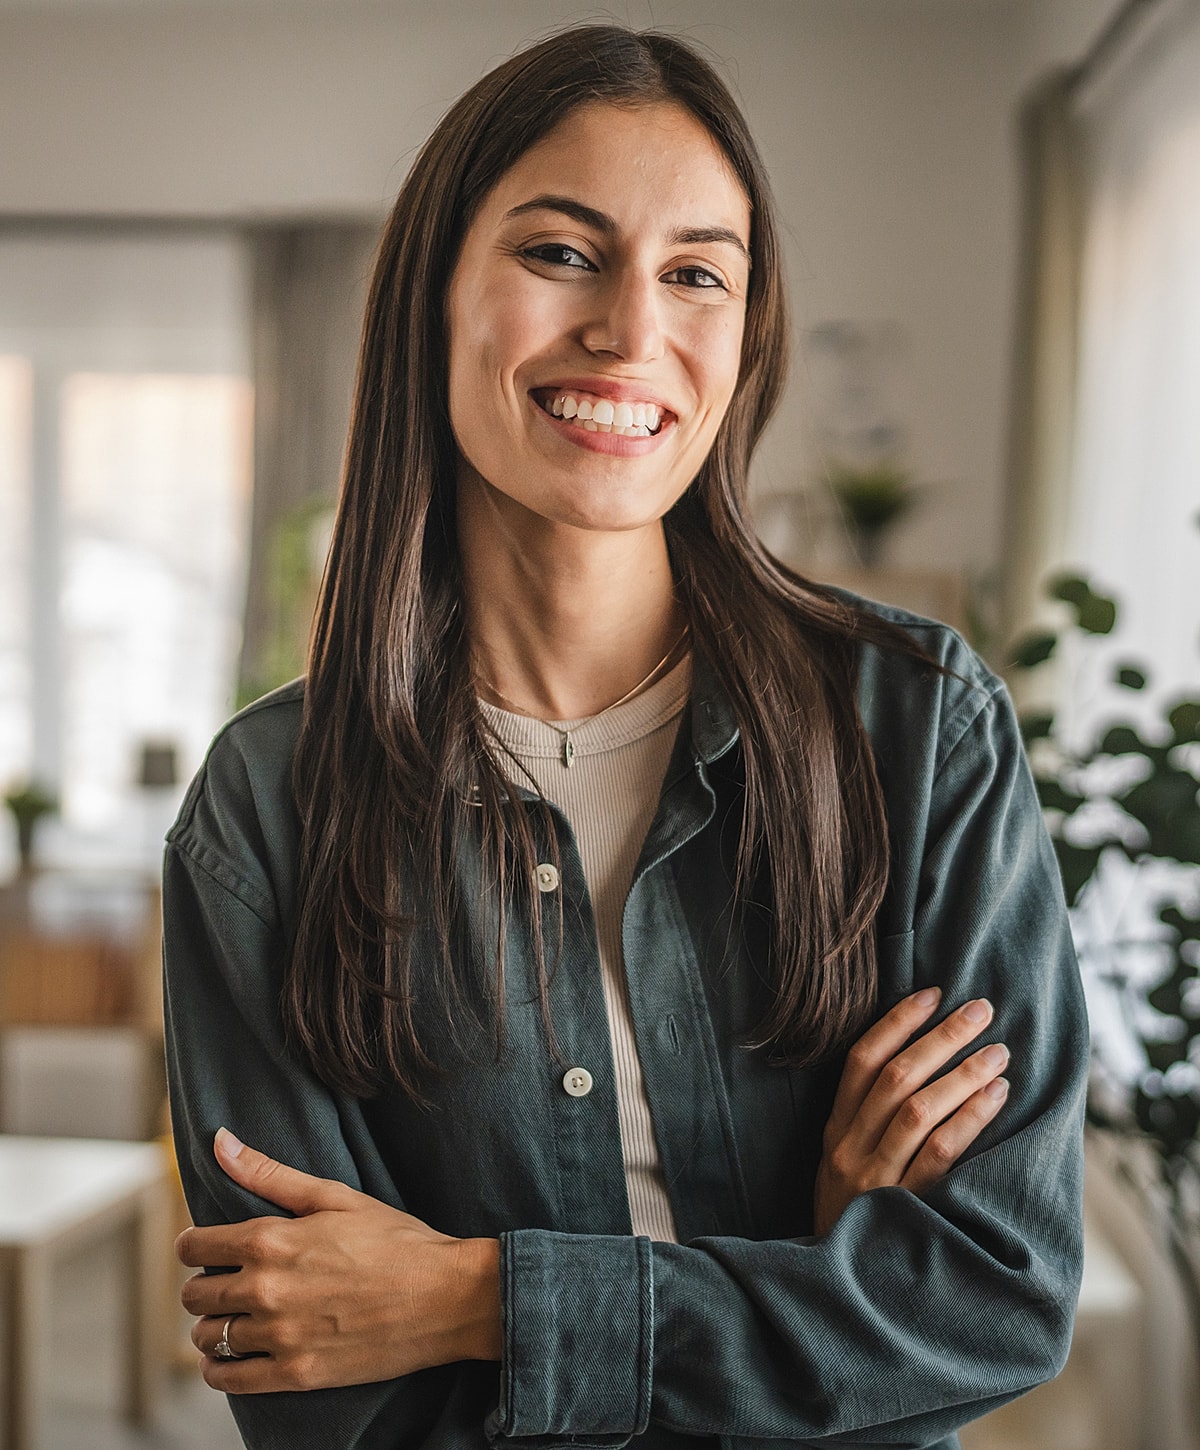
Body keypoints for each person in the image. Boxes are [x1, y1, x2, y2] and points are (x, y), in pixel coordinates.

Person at [163, 24, 1088, 1450]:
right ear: (435, 294)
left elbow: (992, 1301)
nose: (632, 331)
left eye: (696, 273)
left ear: (743, 336)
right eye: (562, 253)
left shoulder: (913, 724)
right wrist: (811, 1283)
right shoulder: (268, 810)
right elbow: (326, 1388)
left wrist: (476, 1298)